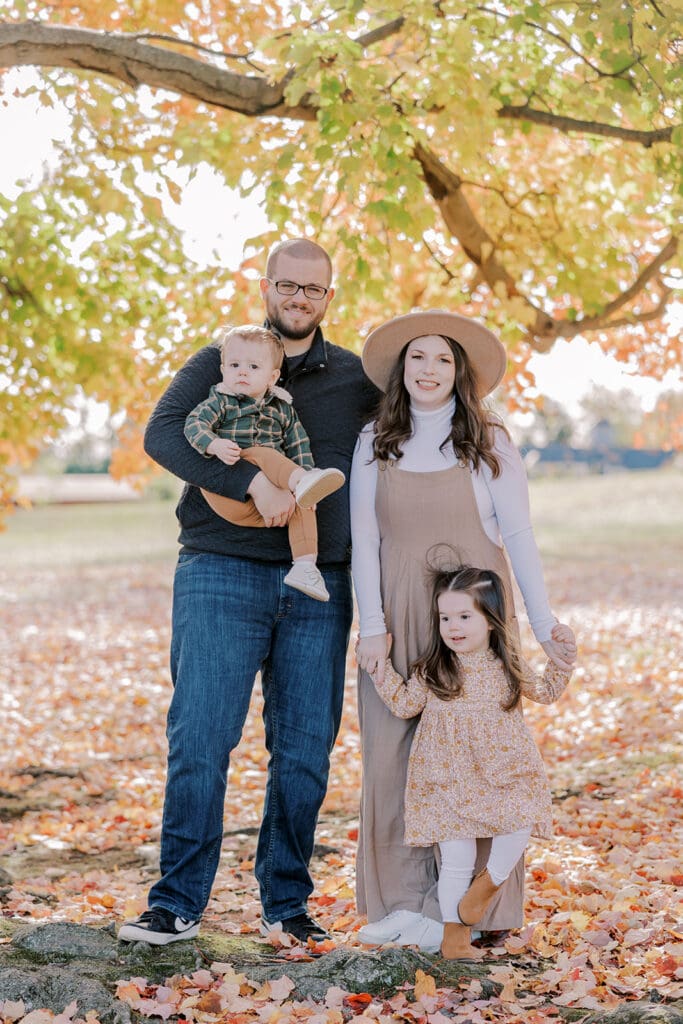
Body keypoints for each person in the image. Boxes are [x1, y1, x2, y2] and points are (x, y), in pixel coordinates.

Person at [118, 238, 379, 946]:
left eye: (313, 289)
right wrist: (246, 482)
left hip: (318, 578)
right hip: (218, 568)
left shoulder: (355, 379)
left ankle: (285, 902)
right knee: (201, 737)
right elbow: (162, 434)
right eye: (287, 285)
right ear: (265, 287)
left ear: (329, 297)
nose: (299, 298)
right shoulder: (220, 360)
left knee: (303, 750)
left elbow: (417, 428)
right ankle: (175, 903)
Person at [350, 309, 577, 952]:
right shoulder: (374, 439)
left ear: (460, 372)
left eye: (443, 359)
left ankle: (477, 913)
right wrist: (371, 627)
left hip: (473, 610)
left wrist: (541, 621)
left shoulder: (490, 440)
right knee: (392, 752)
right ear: (402, 369)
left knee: (482, 759)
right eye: (417, 357)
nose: (429, 370)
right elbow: (364, 537)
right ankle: (400, 904)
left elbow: (520, 534)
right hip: (398, 608)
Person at [369, 564, 575, 959]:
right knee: (456, 859)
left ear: (492, 622)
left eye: (465, 616)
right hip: (446, 775)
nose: (453, 627)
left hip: (505, 770)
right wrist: (380, 669)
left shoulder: (509, 666)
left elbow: (547, 691)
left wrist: (563, 657)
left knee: (521, 819)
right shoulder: (434, 668)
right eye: (445, 617)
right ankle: (455, 939)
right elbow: (403, 704)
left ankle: (490, 884)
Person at [184, 323, 346, 602]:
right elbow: (193, 424)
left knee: (303, 501)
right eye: (234, 365)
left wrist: (305, 473)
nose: (242, 372)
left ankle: (305, 567)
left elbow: (299, 444)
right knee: (265, 454)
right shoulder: (221, 401)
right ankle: (301, 480)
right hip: (228, 491)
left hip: (271, 504)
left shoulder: (283, 409)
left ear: (273, 377)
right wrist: (213, 444)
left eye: (253, 367)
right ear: (223, 369)